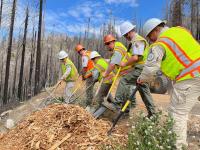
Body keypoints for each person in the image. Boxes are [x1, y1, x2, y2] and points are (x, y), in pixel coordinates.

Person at [137, 18, 200, 149]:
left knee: (177, 113)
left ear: (155, 30)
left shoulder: (160, 43)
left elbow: (150, 68)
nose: (150, 40)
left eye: (150, 37)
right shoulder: (180, 31)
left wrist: (142, 79)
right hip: (196, 71)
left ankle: (177, 146)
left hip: (191, 76)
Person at [116, 21, 155, 117]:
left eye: (125, 35)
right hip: (144, 68)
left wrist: (124, 63)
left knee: (124, 81)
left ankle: (116, 103)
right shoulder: (136, 41)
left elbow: (135, 58)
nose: (125, 37)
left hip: (142, 69)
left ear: (129, 32)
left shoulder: (137, 40)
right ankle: (153, 114)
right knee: (144, 92)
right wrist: (127, 69)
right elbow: (136, 60)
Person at [75, 44, 94, 110]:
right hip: (96, 72)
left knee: (88, 90)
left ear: (79, 51)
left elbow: (85, 68)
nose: (79, 53)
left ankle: (89, 106)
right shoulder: (90, 53)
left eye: (79, 52)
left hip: (90, 75)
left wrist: (83, 76)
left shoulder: (84, 56)